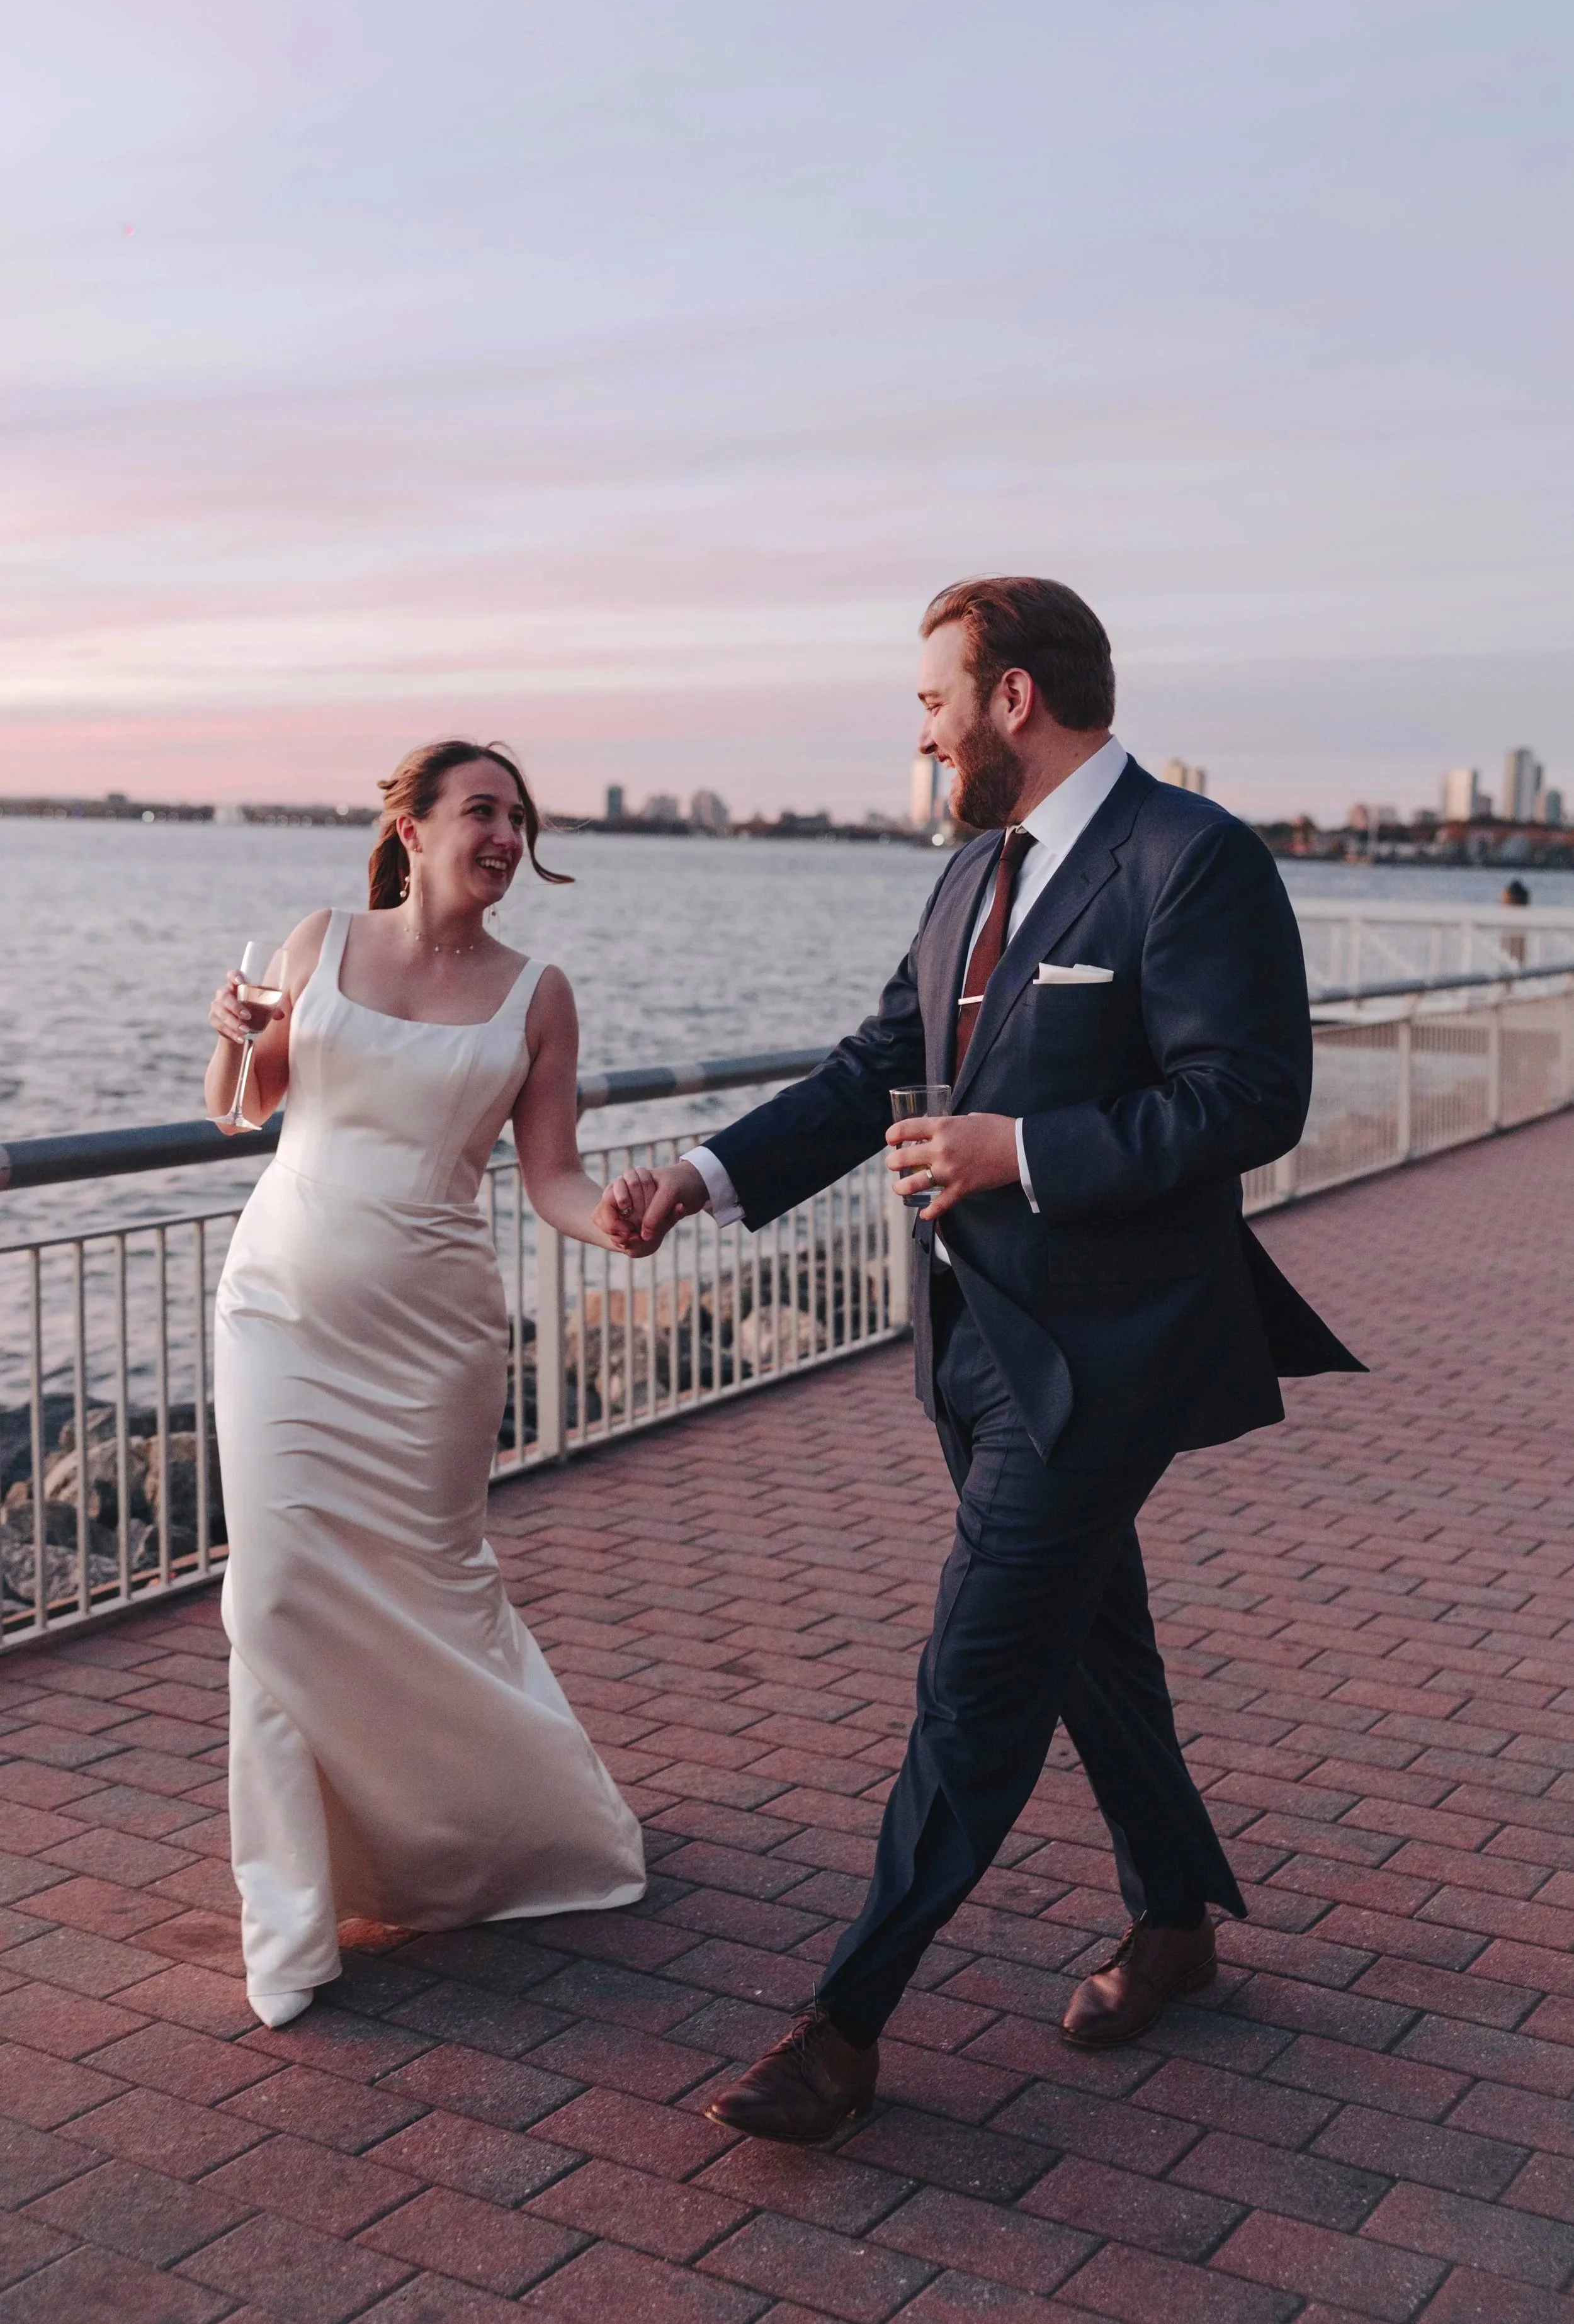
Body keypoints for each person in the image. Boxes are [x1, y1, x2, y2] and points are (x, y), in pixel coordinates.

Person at [604, 578, 1362, 2141]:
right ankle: (1172, 1928)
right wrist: (702, 1178)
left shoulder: (1191, 859)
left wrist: (1022, 1146)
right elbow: (874, 1068)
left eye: (933, 694)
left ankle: (842, 2026)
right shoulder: (967, 879)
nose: (923, 723)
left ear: (1013, 696)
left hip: (1111, 1349)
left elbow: (1247, 1099)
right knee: (1093, 1645)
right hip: (965, 1342)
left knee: (977, 1676)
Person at [206, 740, 648, 2029]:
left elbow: (553, 1175)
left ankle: (501, 1835)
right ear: (410, 825)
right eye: (481, 810)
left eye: (519, 816)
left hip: (435, 1341)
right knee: (275, 1591)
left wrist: (612, 1220)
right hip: (278, 1313)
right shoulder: (319, 941)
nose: (504, 833)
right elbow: (249, 1102)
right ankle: (288, 1925)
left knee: (437, 1595)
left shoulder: (537, 992)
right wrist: (231, 1034)